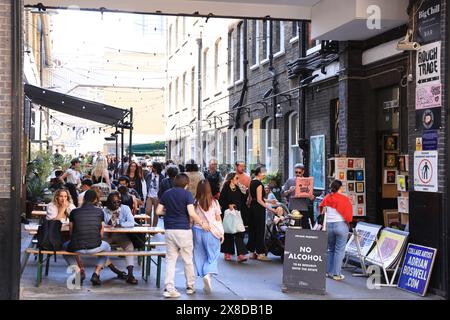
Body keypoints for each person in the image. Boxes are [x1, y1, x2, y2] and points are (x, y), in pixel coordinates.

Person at [156, 173, 211, 298]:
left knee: (171, 260)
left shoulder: (167, 193)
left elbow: (158, 211)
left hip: (169, 230)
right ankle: (190, 286)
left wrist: (168, 211)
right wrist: (202, 223)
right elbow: (191, 213)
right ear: (186, 184)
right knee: (187, 260)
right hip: (184, 230)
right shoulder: (187, 195)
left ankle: (169, 288)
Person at [63, 190, 125, 286]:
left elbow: (71, 233)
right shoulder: (99, 212)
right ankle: (96, 273)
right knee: (107, 247)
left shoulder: (74, 212)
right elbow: (101, 234)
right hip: (95, 246)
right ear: (95, 199)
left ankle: (78, 272)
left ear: (83, 199)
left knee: (64, 247)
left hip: (76, 247)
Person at [192, 180, 224, 293]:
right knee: (213, 254)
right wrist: (222, 232)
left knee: (200, 254)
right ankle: (208, 274)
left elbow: (192, 218)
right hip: (211, 231)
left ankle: (204, 275)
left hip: (197, 231)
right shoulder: (214, 202)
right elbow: (218, 219)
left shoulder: (195, 202)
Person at [319, 180, 353, 281]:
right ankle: (336, 274)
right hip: (341, 225)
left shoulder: (327, 197)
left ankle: (328, 272)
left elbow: (321, 208)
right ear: (340, 188)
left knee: (330, 249)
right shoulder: (344, 199)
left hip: (329, 225)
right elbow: (348, 216)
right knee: (339, 250)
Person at [103, 191, 139, 284]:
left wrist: (121, 224)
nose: (116, 204)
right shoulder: (104, 211)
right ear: (108, 203)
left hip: (121, 235)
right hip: (108, 236)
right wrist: (111, 220)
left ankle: (130, 274)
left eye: (118, 202)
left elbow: (132, 222)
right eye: (114, 202)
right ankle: (117, 271)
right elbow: (103, 224)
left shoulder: (125, 208)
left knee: (129, 246)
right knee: (100, 250)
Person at [247, 165, 278, 261]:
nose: (265, 175)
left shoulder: (252, 182)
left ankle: (252, 253)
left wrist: (269, 201)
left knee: (252, 230)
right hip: (258, 209)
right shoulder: (259, 184)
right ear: (259, 173)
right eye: (264, 173)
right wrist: (271, 209)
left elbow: (254, 198)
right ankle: (260, 253)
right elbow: (260, 200)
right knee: (260, 230)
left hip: (252, 207)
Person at [219, 172, 248, 262]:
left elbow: (243, 200)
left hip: (238, 212)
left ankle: (241, 254)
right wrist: (228, 205)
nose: (238, 180)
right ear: (231, 179)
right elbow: (221, 201)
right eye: (236, 178)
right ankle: (227, 252)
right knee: (228, 232)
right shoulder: (225, 188)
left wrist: (244, 191)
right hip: (228, 212)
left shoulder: (238, 188)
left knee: (239, 232)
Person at [281, 163, 315, 229]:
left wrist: (311, 197)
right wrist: (289, 191)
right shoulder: (290, 181)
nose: (298, 174)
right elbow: (282, 194)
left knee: (304, 227)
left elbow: (312, 198)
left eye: (299, 172)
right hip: (293, 208)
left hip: (304, 208)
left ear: (303, 172)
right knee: (293, 227)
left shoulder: (307, 181)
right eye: (296, 172)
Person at [145, 162, 164, 227]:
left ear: (156, 168)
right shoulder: (148, 175)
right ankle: (148, 226)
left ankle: (154, 227)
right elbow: (146, 185)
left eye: (153, 167)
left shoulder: (161, 177)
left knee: (156, 213)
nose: (151, 168)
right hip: (149, 196)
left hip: (157, 196)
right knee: (148, 211)